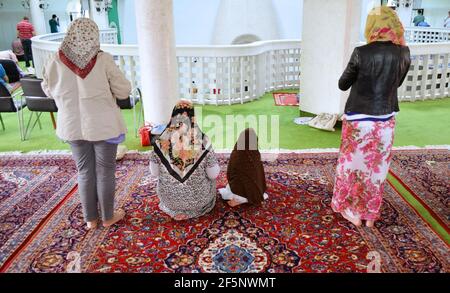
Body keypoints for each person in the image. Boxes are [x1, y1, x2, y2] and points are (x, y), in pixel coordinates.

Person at [41, 18, 131, 230]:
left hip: (71, 125)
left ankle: (90, 220)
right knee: (105, 171)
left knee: (84, 171)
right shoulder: (103, 60)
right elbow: (123, 91)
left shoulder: (54, 60)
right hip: (103, 126)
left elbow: (48, 89)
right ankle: (108, 217)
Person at [331, 6, 411, 228]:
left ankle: (352, 211)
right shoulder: (404, 52)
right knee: (375, 169)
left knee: (353, 167)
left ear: (371, 26)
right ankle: (368, 216)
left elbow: (342, 83)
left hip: (358, 120)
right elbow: (397, 82)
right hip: (385, 121)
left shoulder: (361, 53)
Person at [150, 100, 220, 221]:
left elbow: (154, 173)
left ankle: (175, 210)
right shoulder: (203, 141)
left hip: (169, 201)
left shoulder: (160, 142)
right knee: (212, 181)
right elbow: (213, 174)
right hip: (198, 202)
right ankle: (193, 210)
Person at [219, 128, 268, 207]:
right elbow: (260, 174)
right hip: (257, 191)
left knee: (229, 190)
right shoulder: (255, 153)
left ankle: (240, 200)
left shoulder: (237, 154)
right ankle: (246, 199)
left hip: (239, 192)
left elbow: (230, 173)